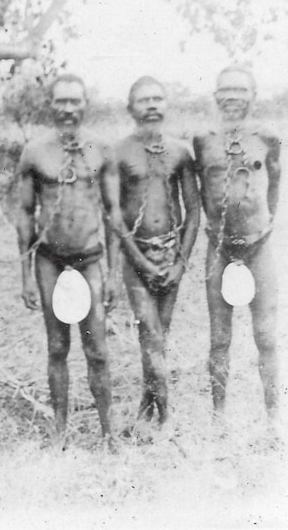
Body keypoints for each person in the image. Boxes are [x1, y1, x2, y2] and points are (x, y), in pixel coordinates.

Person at [16, 73, 122, 448]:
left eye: (74, 101)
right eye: (61, 101)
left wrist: (114, 274)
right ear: (51, 105)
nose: (67, 109)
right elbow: (25, 213)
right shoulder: (35, 152)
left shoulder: (102, 150)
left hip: (90, 260)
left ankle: (108, 433)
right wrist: (26, 276)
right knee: (57, 347)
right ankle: (59, 432)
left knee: (97, 350)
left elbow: (113, 213)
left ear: (85, 104)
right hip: (49, 261)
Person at [193, 66, 280, 419]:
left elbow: (274, 184)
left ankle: (274, 418)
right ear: (215, 96)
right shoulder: (203, 140)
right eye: (225, 90)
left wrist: (263, 225)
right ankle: (219, 418)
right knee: (219, 338)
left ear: (253, 96)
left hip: (259, 248)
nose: (232, 97)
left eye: (241, 91)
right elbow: (202, 190)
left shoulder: (268, 137)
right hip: (219, 249)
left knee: (267, 336)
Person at [116, 76, 200, 426]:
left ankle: (146, 404)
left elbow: (193, 210)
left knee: (157, 335)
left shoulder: (180, 152)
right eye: (143, 100)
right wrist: (140, 262)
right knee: (150, 332)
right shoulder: (119, 152)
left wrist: (181, 262)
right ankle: (165, 418)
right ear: (130, 108)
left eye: (157, 98)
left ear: (166, 105)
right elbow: (115, 217)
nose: (151, 105)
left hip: (170, 255)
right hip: (136, 258)